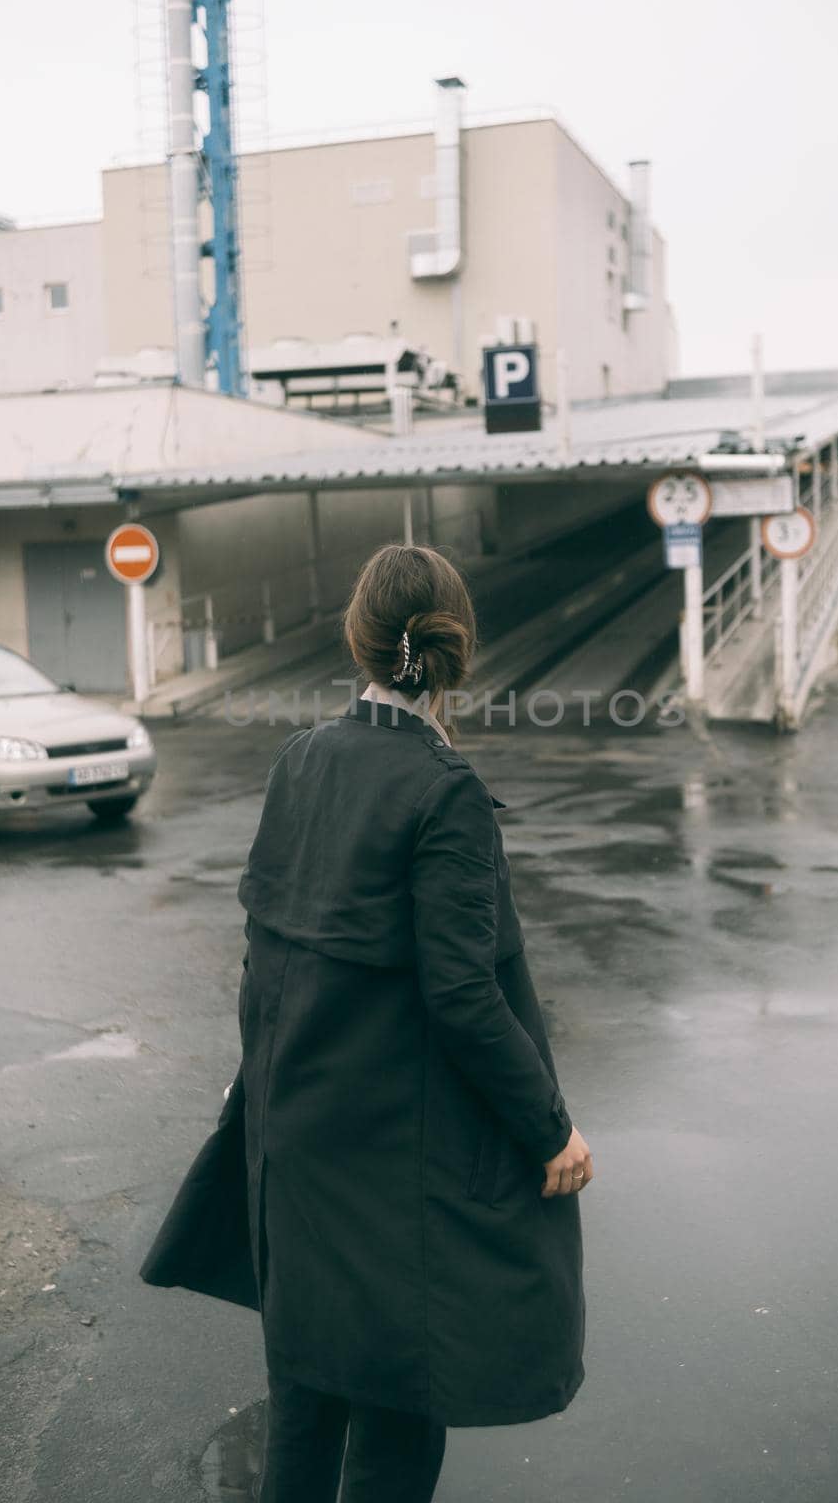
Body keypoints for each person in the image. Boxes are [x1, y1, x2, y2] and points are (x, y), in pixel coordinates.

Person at [236, 542, 590, 1502]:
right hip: (395, 1171)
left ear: (356, 641)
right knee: (395, 1431)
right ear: (456, 646)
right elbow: (464, 997)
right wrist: (548, 1126)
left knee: (302, 1414)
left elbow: (262, 955)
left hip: (297, 1154)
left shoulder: (300, 760)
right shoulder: (445, 792)